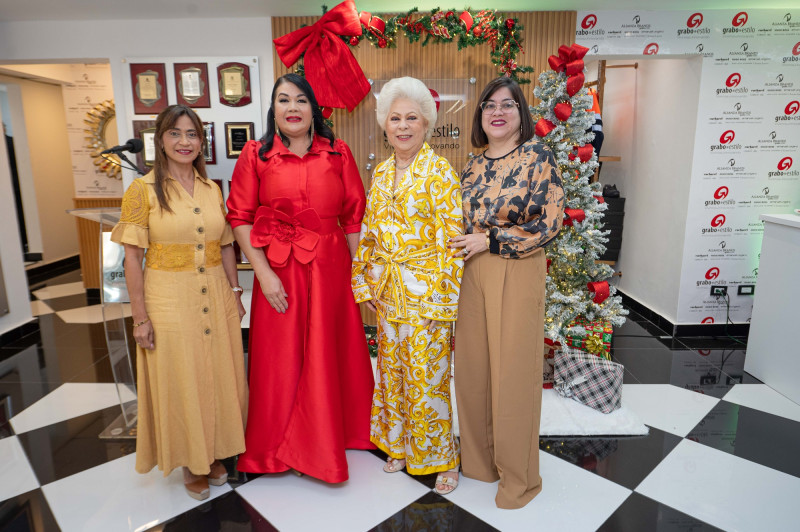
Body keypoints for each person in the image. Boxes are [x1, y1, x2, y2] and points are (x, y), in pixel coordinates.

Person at [226, 73, 374, 483]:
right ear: (273, 109)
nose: (292, 108)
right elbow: (238, 216)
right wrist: (263, 276)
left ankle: (337, 434)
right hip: (278, 268)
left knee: (332, 349)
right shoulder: (256, 154)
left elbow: (352, 219)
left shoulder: (337, 152)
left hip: (330, 268)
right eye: (283, 100)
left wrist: (360, 275)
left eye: (301, 100)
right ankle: (275, 447)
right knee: (280, 358)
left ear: (314, 109)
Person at [112, 104, 248, 501]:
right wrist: (140, 318)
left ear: (201, 142)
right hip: (168, 298)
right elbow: (132, 258)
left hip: (216, 295)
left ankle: (216, 450)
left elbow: (225, 246)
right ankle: (192, 461)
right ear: (161, 139)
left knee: (218, 375)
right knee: (183, 378)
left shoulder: (211, 189)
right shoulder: (142, 190)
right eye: (176, 133)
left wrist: (236, 293)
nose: (184, 142)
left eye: (192, 134)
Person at [449, 77, 565, 509]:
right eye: (489, 105)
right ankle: (479, 463)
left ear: (521, 113)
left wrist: (492, 241)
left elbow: (549, 222)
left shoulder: (538, 156)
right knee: (474, 370)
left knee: (513, 373)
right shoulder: (472, 165)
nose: (497, 111)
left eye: (508, 104)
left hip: (515, 268)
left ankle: (519, 478)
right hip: (471, 273)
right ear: (480, 115)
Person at [352, 77, 464, 494]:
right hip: (389, 294)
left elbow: (453, 243)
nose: (402, 126)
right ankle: (399, 445)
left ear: (426, 123)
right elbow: (370, 233)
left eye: (411, 118)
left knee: (430, 379)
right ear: (385, 124)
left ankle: (443, 459)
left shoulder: (439, 173)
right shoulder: (381, 173)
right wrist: (367, 285)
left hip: (426, 297)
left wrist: (440, 303)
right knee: (393, 374)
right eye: (395, 118)